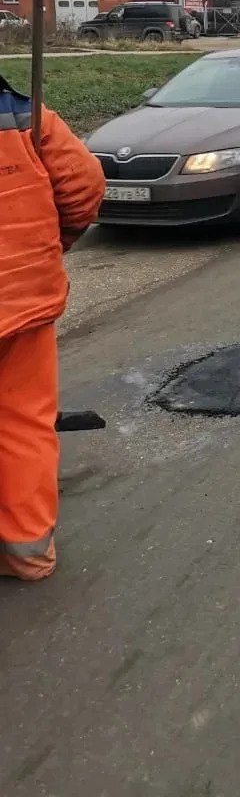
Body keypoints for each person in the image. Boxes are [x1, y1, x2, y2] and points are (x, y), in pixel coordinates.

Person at [0, 74, 105, 580]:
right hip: (20, 300)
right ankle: (27, 553)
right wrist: (51, 244)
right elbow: (84, 186)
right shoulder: (23, 113)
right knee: (22, 424)